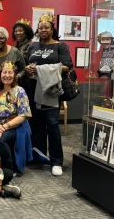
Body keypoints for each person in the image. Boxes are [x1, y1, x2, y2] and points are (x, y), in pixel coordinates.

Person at [25, 12, 73, 176]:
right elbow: (26, 63)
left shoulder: (60, 46)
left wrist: (41, 70)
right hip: (33, 88)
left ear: (52, 29)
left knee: (52, 124)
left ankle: (56, 161)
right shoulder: (32, 46)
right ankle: (39, 156)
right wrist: (29, 69)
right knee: (36, 124)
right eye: (40, 27)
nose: (43, 30)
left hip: (51, 90)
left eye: (47, 27)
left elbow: (67, 66)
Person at [0, 61, 32, 174]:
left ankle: (9, 168)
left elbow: (23, 115)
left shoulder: (19, 91)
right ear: (0, 75)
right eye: (4, 72)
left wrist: (4, 127)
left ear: (14, 75)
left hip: (17, 127)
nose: (7, 75)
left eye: (10, 73)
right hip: (0, 126)